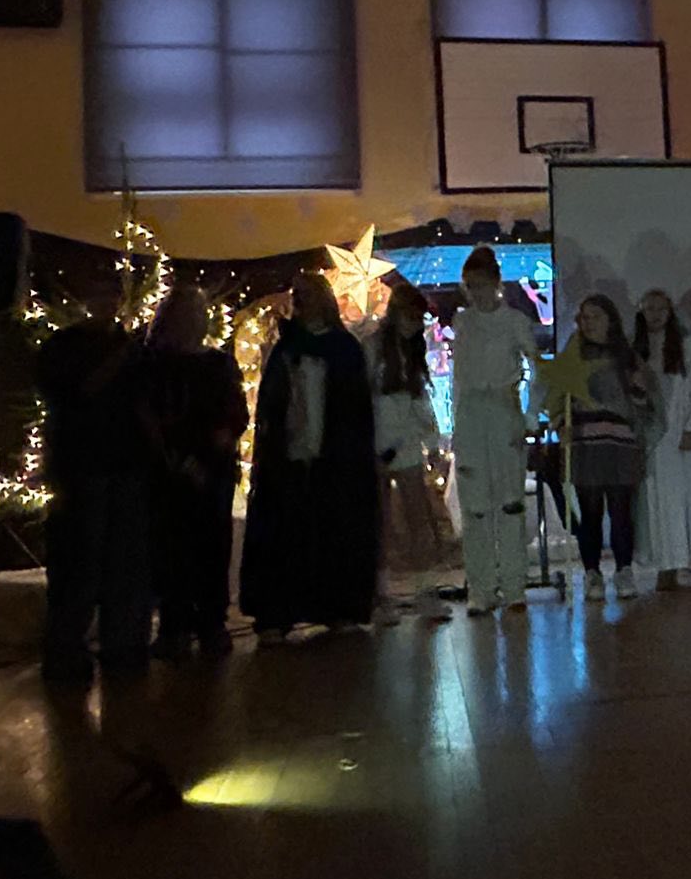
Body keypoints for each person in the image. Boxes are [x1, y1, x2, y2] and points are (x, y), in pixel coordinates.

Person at [239, 270, 379, 642]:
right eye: (296, 294)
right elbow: (271, 403)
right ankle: (278, 613)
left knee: (334, 530)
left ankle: (338, 606)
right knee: (286, 533)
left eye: (307, 294)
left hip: (334, 457)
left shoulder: (343, 348)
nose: (300, 301)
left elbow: (355, 406)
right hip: (289, 456)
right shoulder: (286, 348)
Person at [35, 266, 153, 685]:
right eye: (99, 294)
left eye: (112, 295)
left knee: (124, 562)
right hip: (80, 469)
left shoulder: (131, 348)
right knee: (77, 563)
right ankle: (66, 651)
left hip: (125, 466)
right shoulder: (64, 347)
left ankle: (122, 646)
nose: (106, 303)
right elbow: (76, 393)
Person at [143, 284, 247, 660]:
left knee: (211, 546)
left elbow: (235, 411)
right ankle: (176, 624)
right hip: (170, 468)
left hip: (212, 467)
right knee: (172, 548)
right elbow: (152, 414)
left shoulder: (217, 364)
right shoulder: (155, 365)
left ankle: (210, 622)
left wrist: (222, 438)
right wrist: (176, 456)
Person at [449, 246, 538, 615]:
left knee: (510, 502)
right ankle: (481, 588)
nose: (477, 293)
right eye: (471, 286)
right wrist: (455, 425)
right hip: (471, 415)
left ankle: (515, 585)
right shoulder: (463, 322)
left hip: (504, 411)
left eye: (483, 285)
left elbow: (537, 368)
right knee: (475, 506)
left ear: (496, 284)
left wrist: (530, 417)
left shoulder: (515, 321)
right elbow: (457, 378)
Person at [368, 285, 459, 621]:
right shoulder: (374, 347)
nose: (414, 324)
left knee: (418, 517)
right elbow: (365, 395)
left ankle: (425, 591)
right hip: (377, 441)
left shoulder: (412, 350)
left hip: (405, 442)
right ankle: (381, 595)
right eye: (410, 316)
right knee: (381, 522)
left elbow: (420, 398)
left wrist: (432, 442)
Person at [561, 295, 652, 601]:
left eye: (595, 316)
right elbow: (558, 394)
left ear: (610, 320)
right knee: (590, 512)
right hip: (587, 441)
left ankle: (624, 570)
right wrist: (561, 423)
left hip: (619, 442)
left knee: (621, 510)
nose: (588, 323)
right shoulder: (574, 354)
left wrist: (638, 391)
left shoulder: (626, 355)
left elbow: (641, 401)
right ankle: (592, 573)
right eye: (584, 317)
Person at [633, 288, 691, 589]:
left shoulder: (685, 349)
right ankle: (667, 564)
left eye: (661, 309)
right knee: (658, 499)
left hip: (682, 434)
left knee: (690, 497)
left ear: (670, 313)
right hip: (653, 437)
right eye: (649, 309)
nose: (655, 315)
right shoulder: (637, 351)